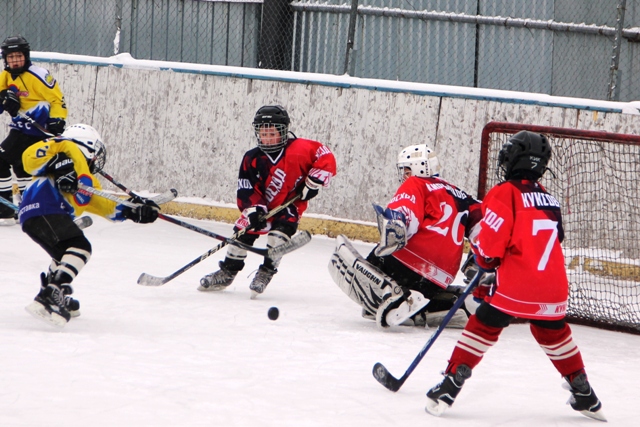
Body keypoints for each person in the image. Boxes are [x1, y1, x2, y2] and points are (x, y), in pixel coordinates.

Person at [425, 131, 606, 422]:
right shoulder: (549, 198)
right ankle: (583, 390)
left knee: (483, 325)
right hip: (554, 287)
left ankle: (451, 383)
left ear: (514, 160)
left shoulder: (504, 193)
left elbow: (490, 248)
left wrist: (483, 259)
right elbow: (554, 238)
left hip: (518, 286)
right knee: (553, 332)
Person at [19, 124, 159, 327]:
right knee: (80, 247)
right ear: (86, 146)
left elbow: (108, 206)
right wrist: (61, 163)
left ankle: (51, 289)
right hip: (45, 208)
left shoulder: (87, 180)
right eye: (95, 152)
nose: (96, 158)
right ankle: (52, 293)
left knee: (64, 253)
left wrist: (133, 210)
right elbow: (28, 157)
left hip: (37, 215)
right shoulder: (66, 147)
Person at [329, 144, 482, 329]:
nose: (404, 175)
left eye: (407, 170)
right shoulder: (463, 196)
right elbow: (484, 226)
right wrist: (478, 261)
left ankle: (395, 297)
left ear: (421, 167)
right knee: (426, 294)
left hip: (413, 261)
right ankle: (450, 304)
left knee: (373, 261)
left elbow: (406, 212)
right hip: (443, 275)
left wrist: (395, 223)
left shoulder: (417, 183)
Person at [199, 105, 337, 298]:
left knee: (277, 237)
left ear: (283, 131)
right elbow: (247, 187)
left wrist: (313, 182)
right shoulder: (252, 158)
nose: (268, 138)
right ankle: (227, 272)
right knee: (242, 233)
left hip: (289, 205)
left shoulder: (300, 149)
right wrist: (254, 210)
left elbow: (325, 155)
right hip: (262, 207)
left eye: (273, 133)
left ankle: (266, 271)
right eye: (264, 134)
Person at [0, 35, 67, 225]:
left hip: (38, 132)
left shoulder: (39, 75)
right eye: (11, 57)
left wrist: (57, 120)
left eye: (18, 56)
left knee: (3, 160)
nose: (15, 61)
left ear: (26, 56)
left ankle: (5, 209)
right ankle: (26, 206)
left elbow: (57, 100)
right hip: (19, 129)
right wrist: (3, 98)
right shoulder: (5, 76)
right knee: (21, 166)